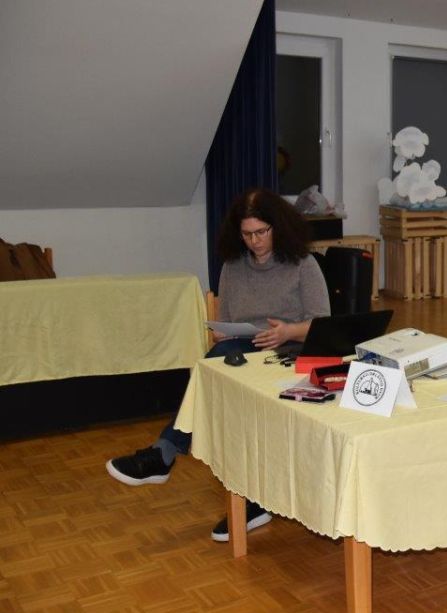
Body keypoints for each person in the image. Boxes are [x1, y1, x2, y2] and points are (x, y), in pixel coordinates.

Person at [106, 189, 330, 541]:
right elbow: (225, 321)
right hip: (244, 349)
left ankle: (165, 452)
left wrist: (287, 331)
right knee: (214, 368)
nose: (254, 241)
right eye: (247, 234)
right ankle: (247, 501)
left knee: (212, 371)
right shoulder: (233, 266)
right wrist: (222, 333)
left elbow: (322, 323)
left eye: (261, 232)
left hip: (290, 349)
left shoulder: (302, 263)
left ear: (278, 227)